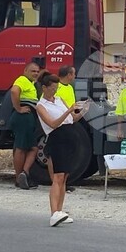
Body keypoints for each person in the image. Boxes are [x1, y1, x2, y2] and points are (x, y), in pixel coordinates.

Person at [35, 74, 86, 226]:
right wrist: (68, 111)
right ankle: (53, 212)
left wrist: (82, 111)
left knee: (64, 177)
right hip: (57, 140)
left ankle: (60, 210)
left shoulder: (59, 100)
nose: (54, 91)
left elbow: (72, 119)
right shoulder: (41, 106)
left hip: (69, 139)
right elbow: (52, 123)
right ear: (44, 88)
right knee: (57, 177)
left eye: (56, 88)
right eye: (52, 88)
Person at [8, 61, 42, 189]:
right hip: (22, 117)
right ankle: (18, 178)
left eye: (37, 71)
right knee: (21, 148)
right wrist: (19, 108)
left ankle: (25, 173)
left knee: (33, 148)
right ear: (25, 71)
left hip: (28, 118)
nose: (36, 73)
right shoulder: (22, 80)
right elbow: (14, 91)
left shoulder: (31, 83)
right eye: (33, 71)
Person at [56, 65, 78, 193]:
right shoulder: (56, 87)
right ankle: (56, 180)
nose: (74, 77)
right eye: (73, 74)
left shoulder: (69, 87)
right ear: (69, 74)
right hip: (59, 124)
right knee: (58, 155)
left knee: (69, 154)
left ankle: (64, 181)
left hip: (70, 122)